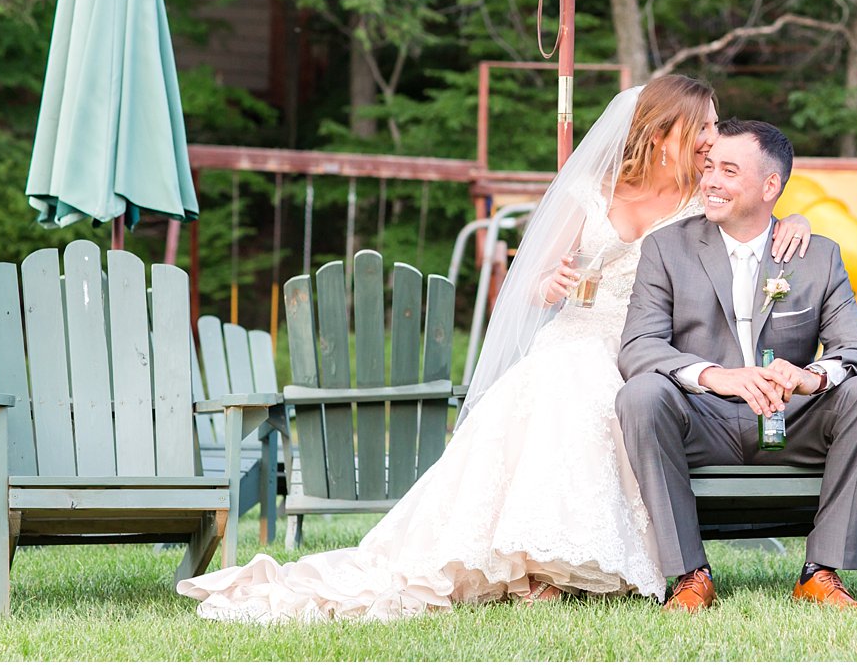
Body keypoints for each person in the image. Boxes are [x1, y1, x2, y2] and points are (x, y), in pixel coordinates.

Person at [177, 76, 813, 620]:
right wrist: (550, 280)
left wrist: (795, 220)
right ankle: (530, 563)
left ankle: (562, 562)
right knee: (562, 377)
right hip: (579, 333)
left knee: (601, 385)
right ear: (660, 130)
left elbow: (760, 212)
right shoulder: (589, 191)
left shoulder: (701, 200)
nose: (710, 142)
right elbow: (531, 280)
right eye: (700, 130)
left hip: (646, 347)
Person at [616, 118, 857, 612]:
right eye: (709, 168)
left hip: (792, 421)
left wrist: (812, 378)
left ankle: (820, 573)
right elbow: (639, 346)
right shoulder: (666, 249)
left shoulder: (818, 256)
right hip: (702, 419)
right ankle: (689, 576)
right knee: (641, 394)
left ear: (771, 186)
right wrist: (714, 376)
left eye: (729, 170)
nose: (710, 180)